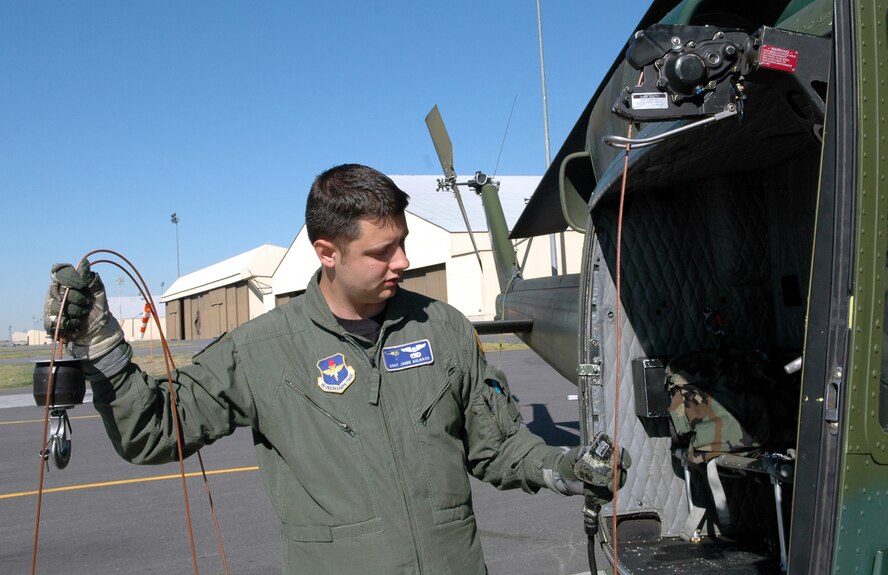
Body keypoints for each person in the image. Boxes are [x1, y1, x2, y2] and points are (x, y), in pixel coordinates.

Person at [44, 163, 628, 574]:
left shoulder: (444, 329)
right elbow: (153, 429)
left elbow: (495, 448)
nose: (403, 261)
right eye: (382, 251)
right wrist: (102, 346)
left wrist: (562, 465)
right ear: (327, 252)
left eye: (401, 242)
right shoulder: (261, 349)